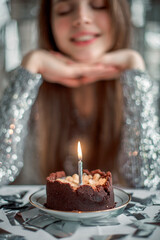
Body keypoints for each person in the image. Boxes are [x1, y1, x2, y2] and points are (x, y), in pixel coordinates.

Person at [0, 0, 159, 189]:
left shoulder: (146, 90)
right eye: (64, 10)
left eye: (99, 5)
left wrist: (134, 69)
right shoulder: (17, 86)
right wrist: (30, 67)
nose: (81, 18)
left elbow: (147, 181)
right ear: (49, 23)